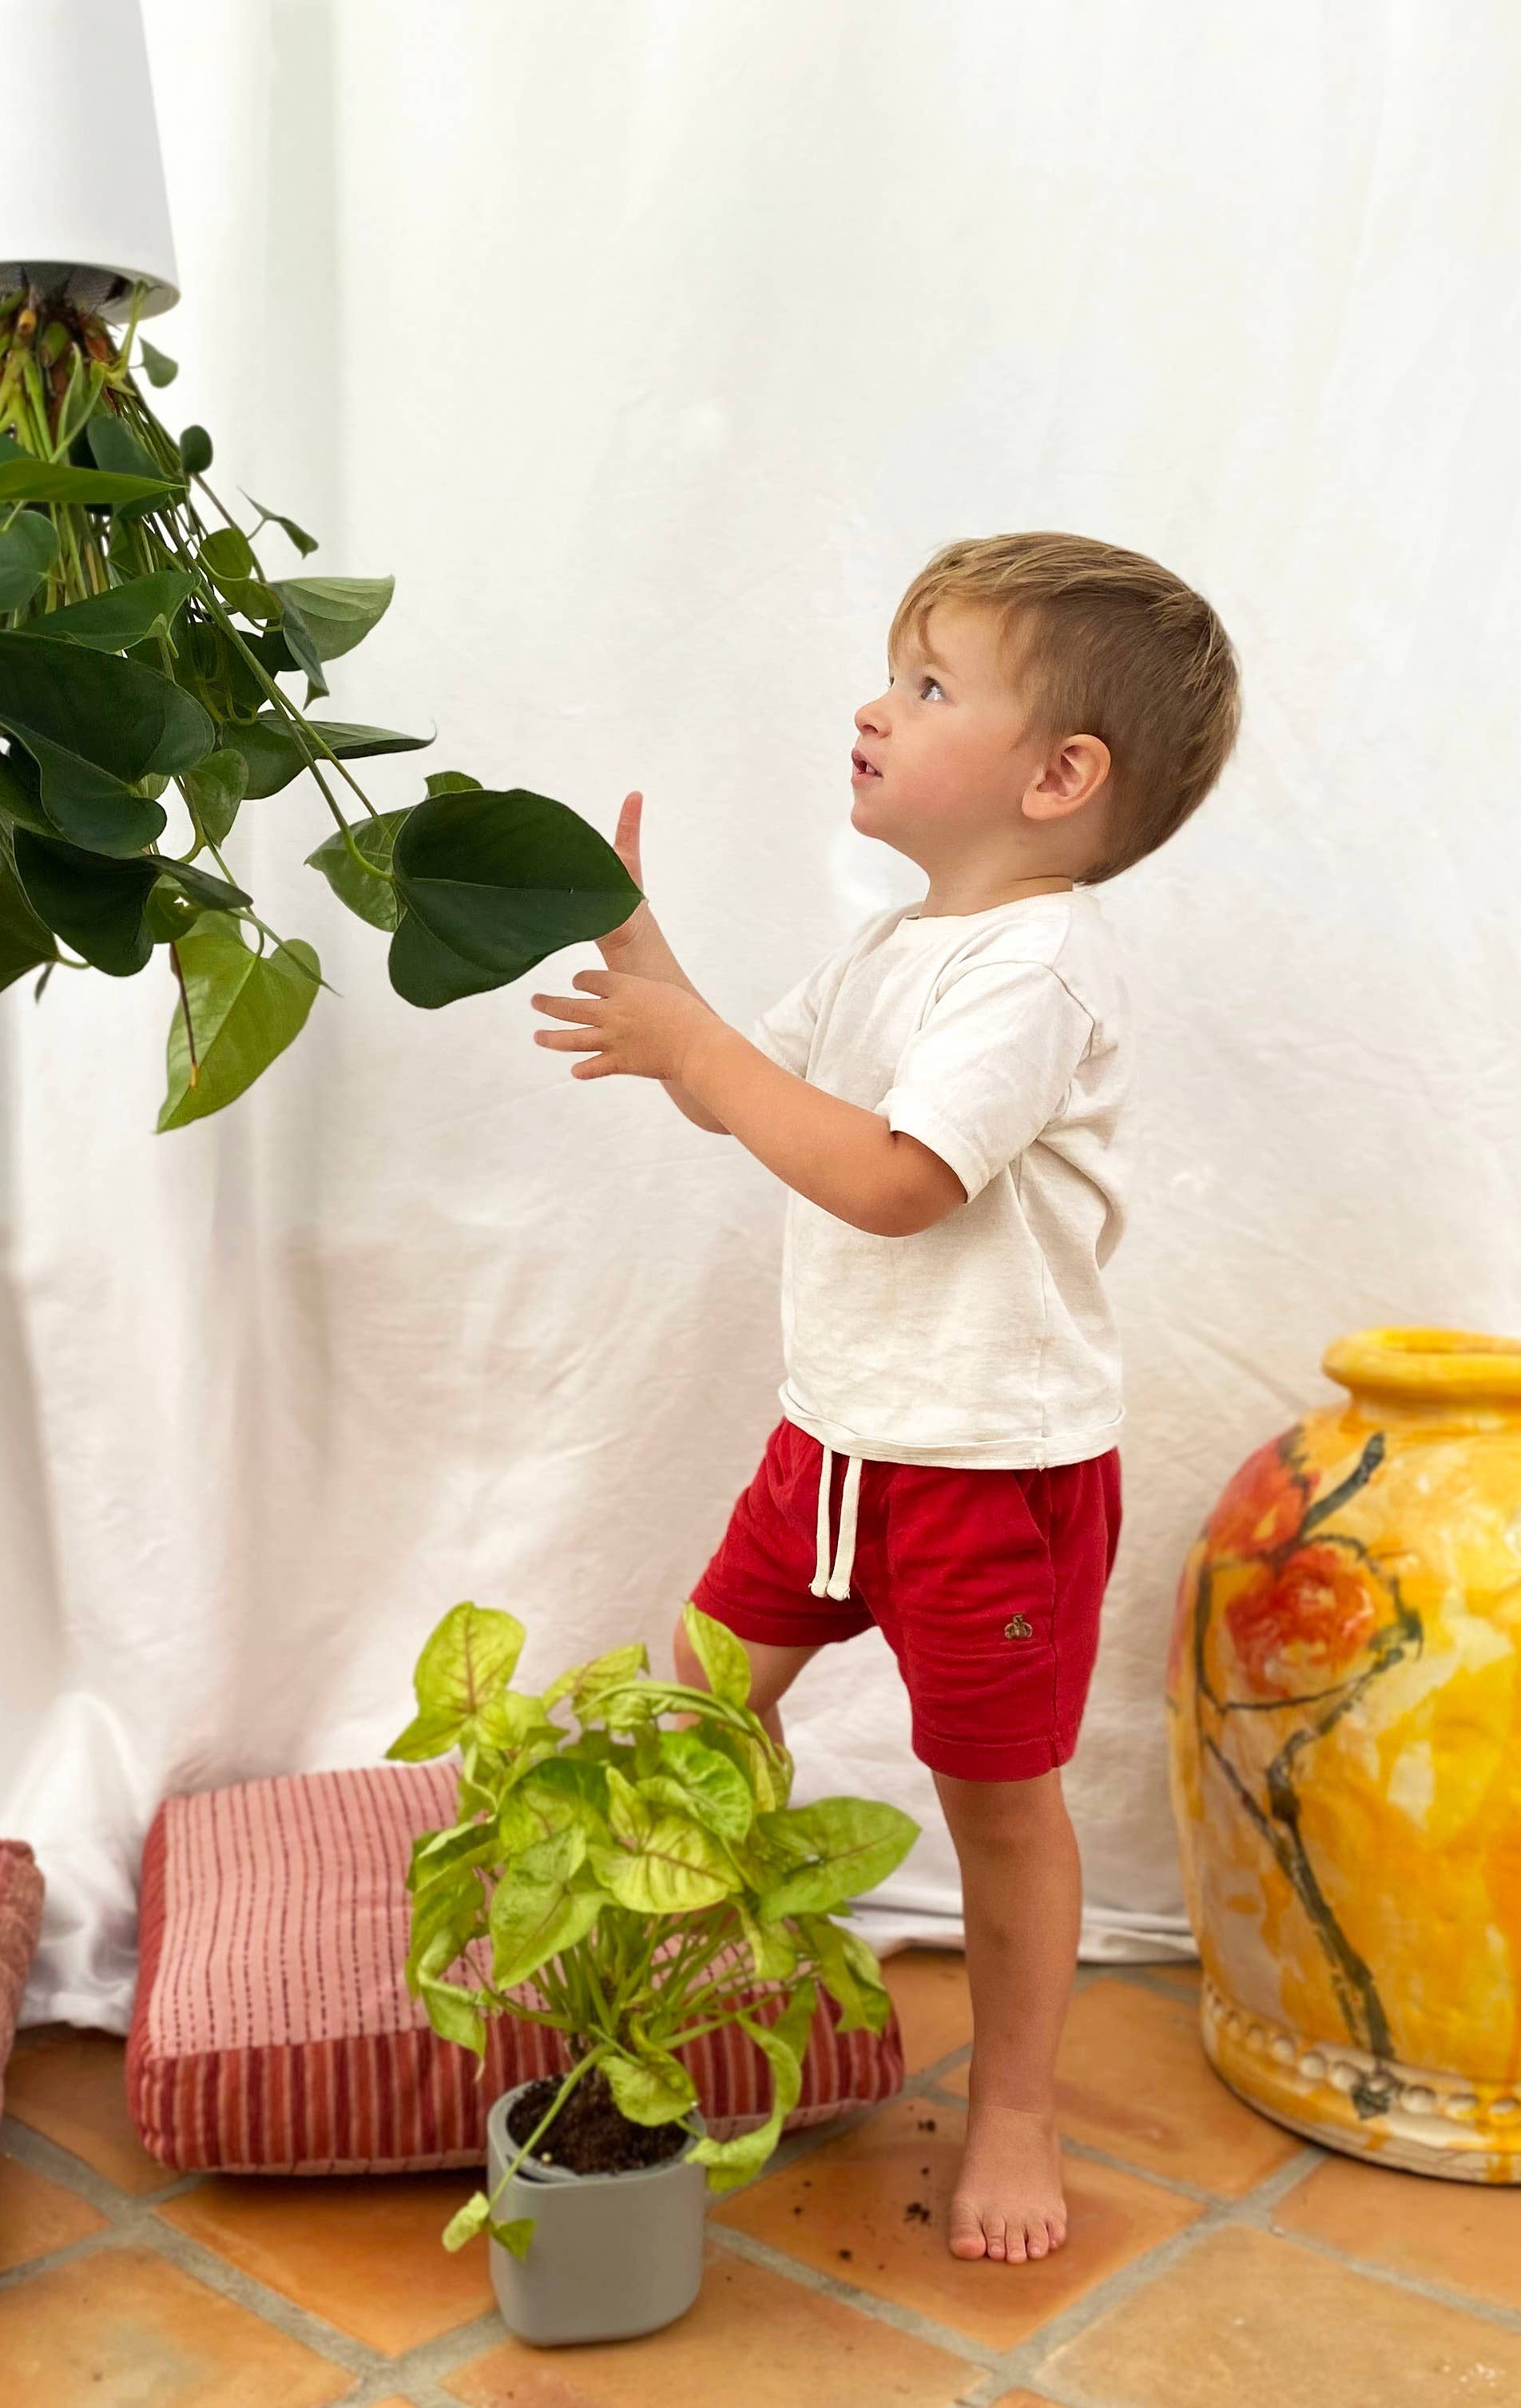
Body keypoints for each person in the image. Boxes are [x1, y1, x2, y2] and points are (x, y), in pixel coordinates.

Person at [530, 532, 1239, 2264]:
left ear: (1060, 776)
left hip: (987, 1476)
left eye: (928, 686)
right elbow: (747, 1093)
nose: (873, 704)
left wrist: (702, 1056)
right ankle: (689, 1985)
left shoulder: (1034, 969)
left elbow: (899, 1178)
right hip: (828, 1446)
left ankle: (1012, 2100)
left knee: (996, 1799)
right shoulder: (893, 948)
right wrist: (633, 942)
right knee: (703, 1721)